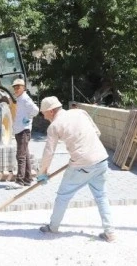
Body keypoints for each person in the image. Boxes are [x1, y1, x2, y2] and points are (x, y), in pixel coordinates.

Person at [37, 96, 115, 242]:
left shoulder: (54, 126)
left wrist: (42, 173)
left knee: (63, 196)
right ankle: (110, 232)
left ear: (52, 111)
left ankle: (53, 227)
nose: (44, 116)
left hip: (81, 165)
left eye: (44, 113)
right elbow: (97, 133)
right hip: (102, 159)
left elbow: (49, 152)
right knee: (101, 196)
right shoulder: (79, 112)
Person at [11, 78, 39, 187]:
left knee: (20, 156)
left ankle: (20, 181)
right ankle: (27, 179)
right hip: (20, 130)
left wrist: (28, 119)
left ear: (23, 88)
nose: (16, 89)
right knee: (25, 155)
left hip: (23, 130)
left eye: (18, 87)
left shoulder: (25, 99)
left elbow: (35, 110)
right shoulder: (20, 99)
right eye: (15, 87)